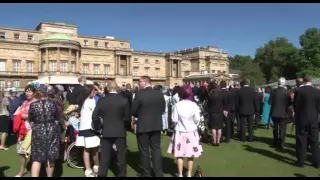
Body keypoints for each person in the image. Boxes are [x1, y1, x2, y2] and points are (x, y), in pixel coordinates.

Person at [92, 81, 131, 177]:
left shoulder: (102, 100)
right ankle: (122, 175)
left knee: (105, 156)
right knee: (121, 155)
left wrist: (99, 127)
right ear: (117, 88)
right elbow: (127, 118)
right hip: (120, 130)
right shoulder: (124, 100)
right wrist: (125, 127)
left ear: (108, 89)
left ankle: (102, 174)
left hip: (107, 130)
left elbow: (95, 116)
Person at [132, 76, 165, 177]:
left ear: (145, 82)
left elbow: (133, 111)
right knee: (156, 149)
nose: (139, 84)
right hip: (156, 124)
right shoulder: (159, 93)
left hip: (143, 125)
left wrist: (140, 115)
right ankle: (158, 173)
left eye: (140, 82)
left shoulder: (139, 94)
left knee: (144, 150)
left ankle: (146, 173)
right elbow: (163, 109)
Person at [167, 85, 202, 177]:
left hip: (180, 131)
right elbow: (197, 119)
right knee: (190, 154)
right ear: (190, 93)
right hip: (191, 131)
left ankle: (180, 174)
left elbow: (174, 119)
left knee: (180, 154)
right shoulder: (194, 105)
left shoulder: (177, 105)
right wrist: (193, 124)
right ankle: (189, 174)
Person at [28, 84, 61, 177]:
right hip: (51, 130)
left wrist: (35, 127)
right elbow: (58, 117)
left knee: (37, 158)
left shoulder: (33, 105)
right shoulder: (53, 103)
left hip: (38, 129)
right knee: (50, 157)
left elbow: (30, 120)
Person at [293, 76, 320, 168]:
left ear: (303, 81)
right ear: (311, 81)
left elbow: (296, 106)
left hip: (302, 119)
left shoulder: (299, 91)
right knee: (314, 141)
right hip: (313, 119)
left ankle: (300, 161)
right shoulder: (317, 91)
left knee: (301, 140)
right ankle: (317, 162)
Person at [75, 84, 100, 177]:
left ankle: (88, 169)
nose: (95, 92)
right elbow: (96, 113)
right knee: (94, 149)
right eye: (93, 91)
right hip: (90, 127)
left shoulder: (83, 100)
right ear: (90, 92)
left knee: (87, 149)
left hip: (83, 127)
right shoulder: (90, 101)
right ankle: (96, 166)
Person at [13, 84, 37, 177]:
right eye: (26, 91)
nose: (28, 93)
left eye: (30, 91)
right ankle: (22, 170)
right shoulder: (24, 102)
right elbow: (18, 113)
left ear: (34, 93)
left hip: (33, 130)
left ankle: (36, 170)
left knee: (35, 151)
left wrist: (25, 116)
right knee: (21, 151)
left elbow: (38, 116)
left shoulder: (37, 103)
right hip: (22, 130)